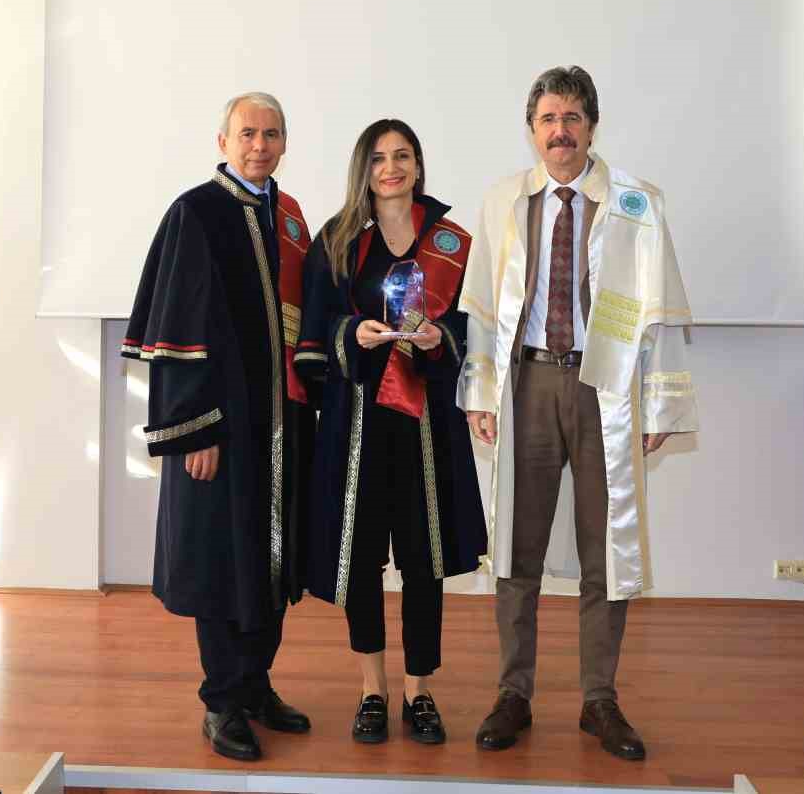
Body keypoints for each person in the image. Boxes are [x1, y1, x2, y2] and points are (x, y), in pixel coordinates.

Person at [459, 67, 700, 760]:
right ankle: (513, 693)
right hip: (527, 384)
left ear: (592, 126)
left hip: (606, 391)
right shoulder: (504, 200)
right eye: (548, 119)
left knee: (606, 548)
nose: (559, 131)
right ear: (532, 130)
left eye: (571, 117)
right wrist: (480, 393)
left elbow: (660, 312)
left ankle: (600, 700)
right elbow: (481, 308)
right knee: (516, 547)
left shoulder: (635, 203)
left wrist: (660, 403)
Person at [120, 92, 314, 762]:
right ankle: (222, 701)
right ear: (223, 141)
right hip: (221, 426)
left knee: (271, 557)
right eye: (248, 133)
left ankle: (256, 684)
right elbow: (177, 324)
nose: (260, 145)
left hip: (281, 424)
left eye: (272, 133)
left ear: (284, 142)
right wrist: (194, 429)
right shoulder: (196, 213)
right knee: (222, 560)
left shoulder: (288, 218)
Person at [296, 120, 486, 747]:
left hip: (427, 423)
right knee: (360, 559)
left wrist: (438, 339)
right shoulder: (337, 240)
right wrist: (352, 333)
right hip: (357, 423)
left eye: (403, 156)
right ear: (365, 168)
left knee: (424, 557)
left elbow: (473, 328)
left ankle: (419, 691)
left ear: (418, 165)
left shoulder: (452, 241)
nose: (391, 168)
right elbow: (317, 330)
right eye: (378, 158)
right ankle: (372, 689)